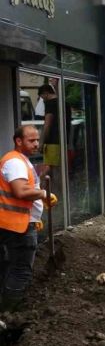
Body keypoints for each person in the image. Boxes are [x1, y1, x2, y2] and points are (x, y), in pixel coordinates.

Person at [0, 125, 57, 312]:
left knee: (9, 268)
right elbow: (21, 191)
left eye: (37, 140)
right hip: (18, 227)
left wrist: (34, 216)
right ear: (18, 141)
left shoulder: (19, 160)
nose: (36, 144)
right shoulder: (15, 162)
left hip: (17, 223)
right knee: (20, 271)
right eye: (31, 140)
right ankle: (9, 313)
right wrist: (43, 194)